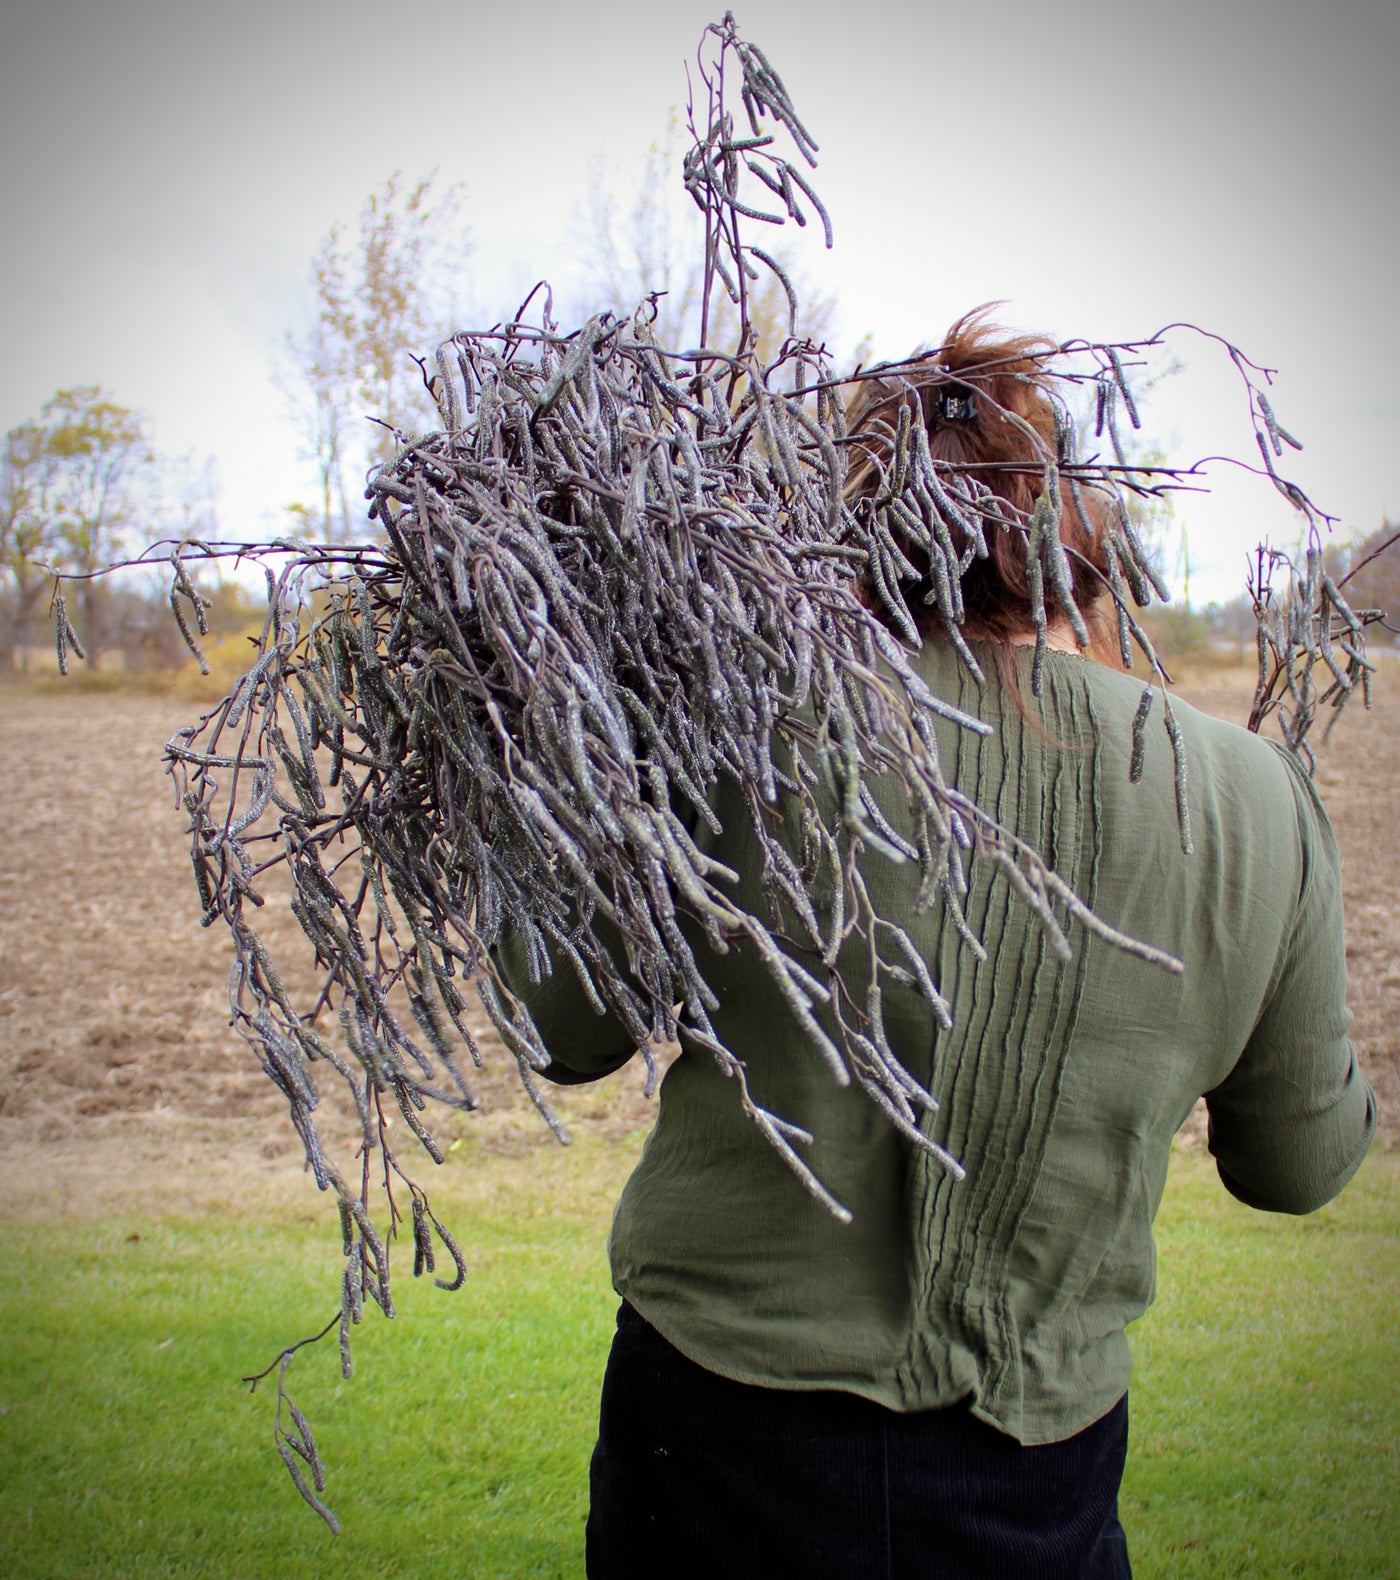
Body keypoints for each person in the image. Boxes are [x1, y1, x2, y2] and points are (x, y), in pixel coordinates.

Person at [498, 311, 1376, 1578]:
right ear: (1072, 530)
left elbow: (557, 1030)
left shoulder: (718, 743)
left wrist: (554, 769)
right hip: (1039, 1464)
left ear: (849, 528)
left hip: (717, 1441)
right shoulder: (1253, 797)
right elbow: (1296, 1165)